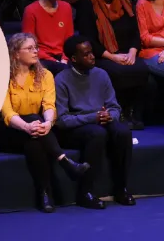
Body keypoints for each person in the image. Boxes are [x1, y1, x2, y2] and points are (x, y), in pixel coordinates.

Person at [0, 33, 89, 213]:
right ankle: (65, 162)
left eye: (36, 47)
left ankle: (45, 194)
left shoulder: (45, 74)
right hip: (7, 130)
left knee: (34, 143)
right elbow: (7, 112)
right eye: (29, 48)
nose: (35, 51)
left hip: (34, 131)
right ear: (15, 54)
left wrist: (47, 123)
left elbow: (49, 104)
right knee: (32, 121)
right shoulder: (2, 76)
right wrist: (28, 126)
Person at [54, 35, 135, 210]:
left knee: (123, 132)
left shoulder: (101, 74)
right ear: (74, 59)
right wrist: (93, 117)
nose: (92, 57)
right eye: (86, 54)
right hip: (75, 127)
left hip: (99, 120)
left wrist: (110, 116)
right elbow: (62, 120)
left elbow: (114, 106)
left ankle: (121, 188)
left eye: (91, 52)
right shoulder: (61, 79)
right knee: (97, 133)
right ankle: (86, 192)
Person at [75, 0, 150, 129]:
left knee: (142, 68)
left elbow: (135, 33)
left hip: (126, 53)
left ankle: (134, 113)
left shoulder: (125, 1)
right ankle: (119, 112)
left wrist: (132, 52)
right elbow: (89, 39)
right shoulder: (88, 5)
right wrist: (112, 56)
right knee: (117, 71)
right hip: (102, 55)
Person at [21, 0, 73, 76]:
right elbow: (29, 44)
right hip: (41, 57)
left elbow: (69, 38)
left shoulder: (66, 7)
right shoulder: (31, 10)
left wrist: (65, 58)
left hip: (63, 57)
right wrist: (53, 61)